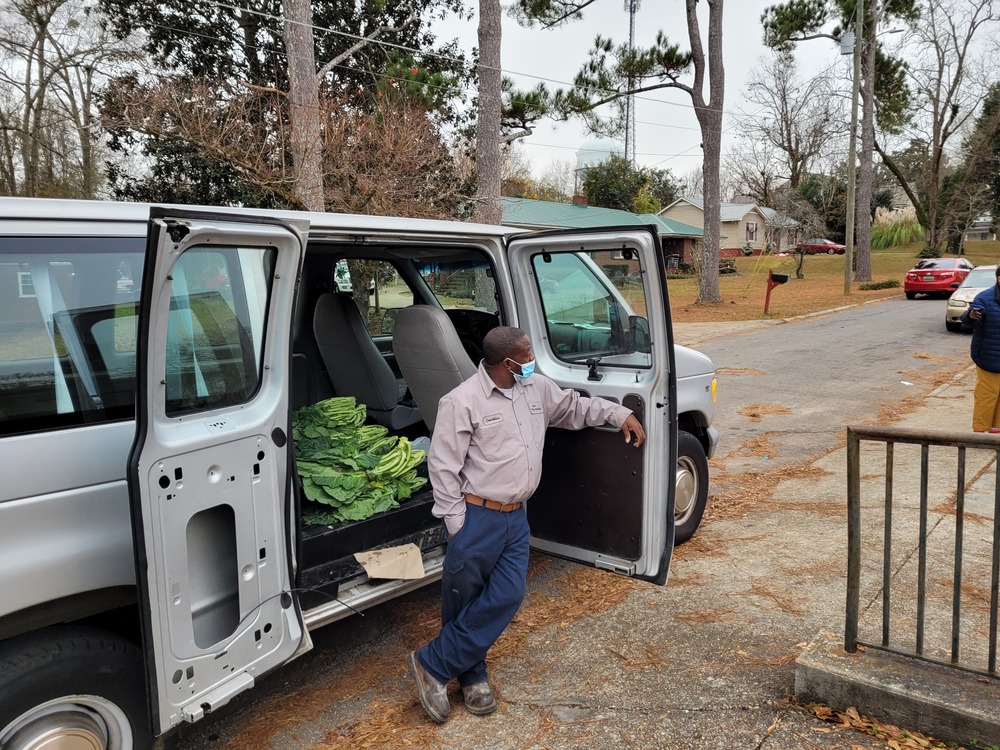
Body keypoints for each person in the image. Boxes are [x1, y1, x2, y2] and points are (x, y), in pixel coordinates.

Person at [405, 326, 645, 723]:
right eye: (527, 354)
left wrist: (618, 412)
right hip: (477, 514)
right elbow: (443, 466)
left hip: (516, 516)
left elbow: (573, 408)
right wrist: (456, 522)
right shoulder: (461, 402)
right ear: (506, 362)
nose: (533, 359)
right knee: (465, 599)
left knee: (507, 594)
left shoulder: (535, 389)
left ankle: (431, 662)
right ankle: (472, 674)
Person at [962, 265, 1000, 432]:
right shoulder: (984, 298)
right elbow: (969, 318)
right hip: (988, 356)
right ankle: (979, 431)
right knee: (987, 395)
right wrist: (972, 315)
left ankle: (996, 429)